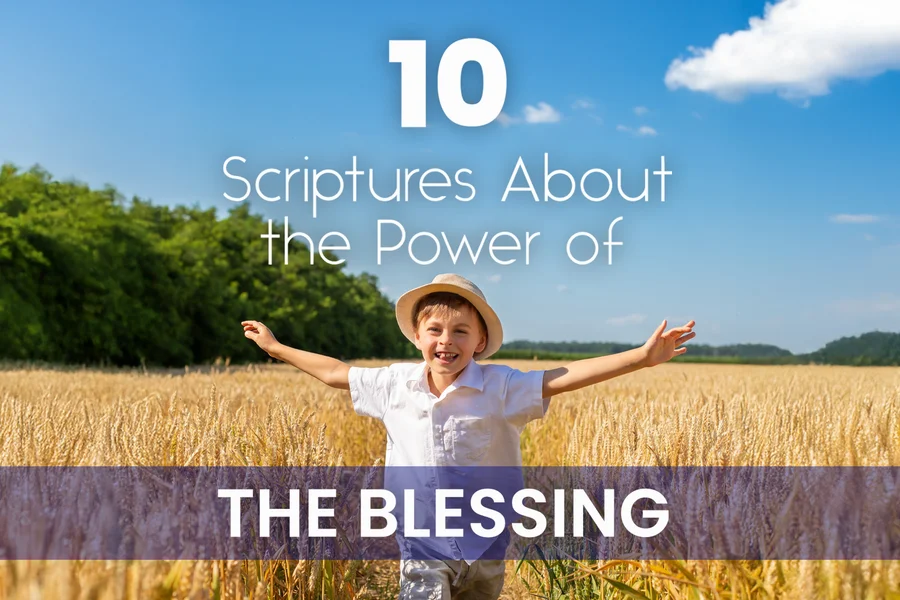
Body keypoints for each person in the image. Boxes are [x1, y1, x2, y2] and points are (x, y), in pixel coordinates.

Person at [242, 273, 695, 599]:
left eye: (461, 330)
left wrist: (641, 356)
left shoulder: (502, 387)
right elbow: (337, 373)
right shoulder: (393, 385)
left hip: (486, 538)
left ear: (479, 341)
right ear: (417, 336)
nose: (447, 340)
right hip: (420, 535)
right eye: (435, 330)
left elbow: (563, 376)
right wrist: (276, 348)